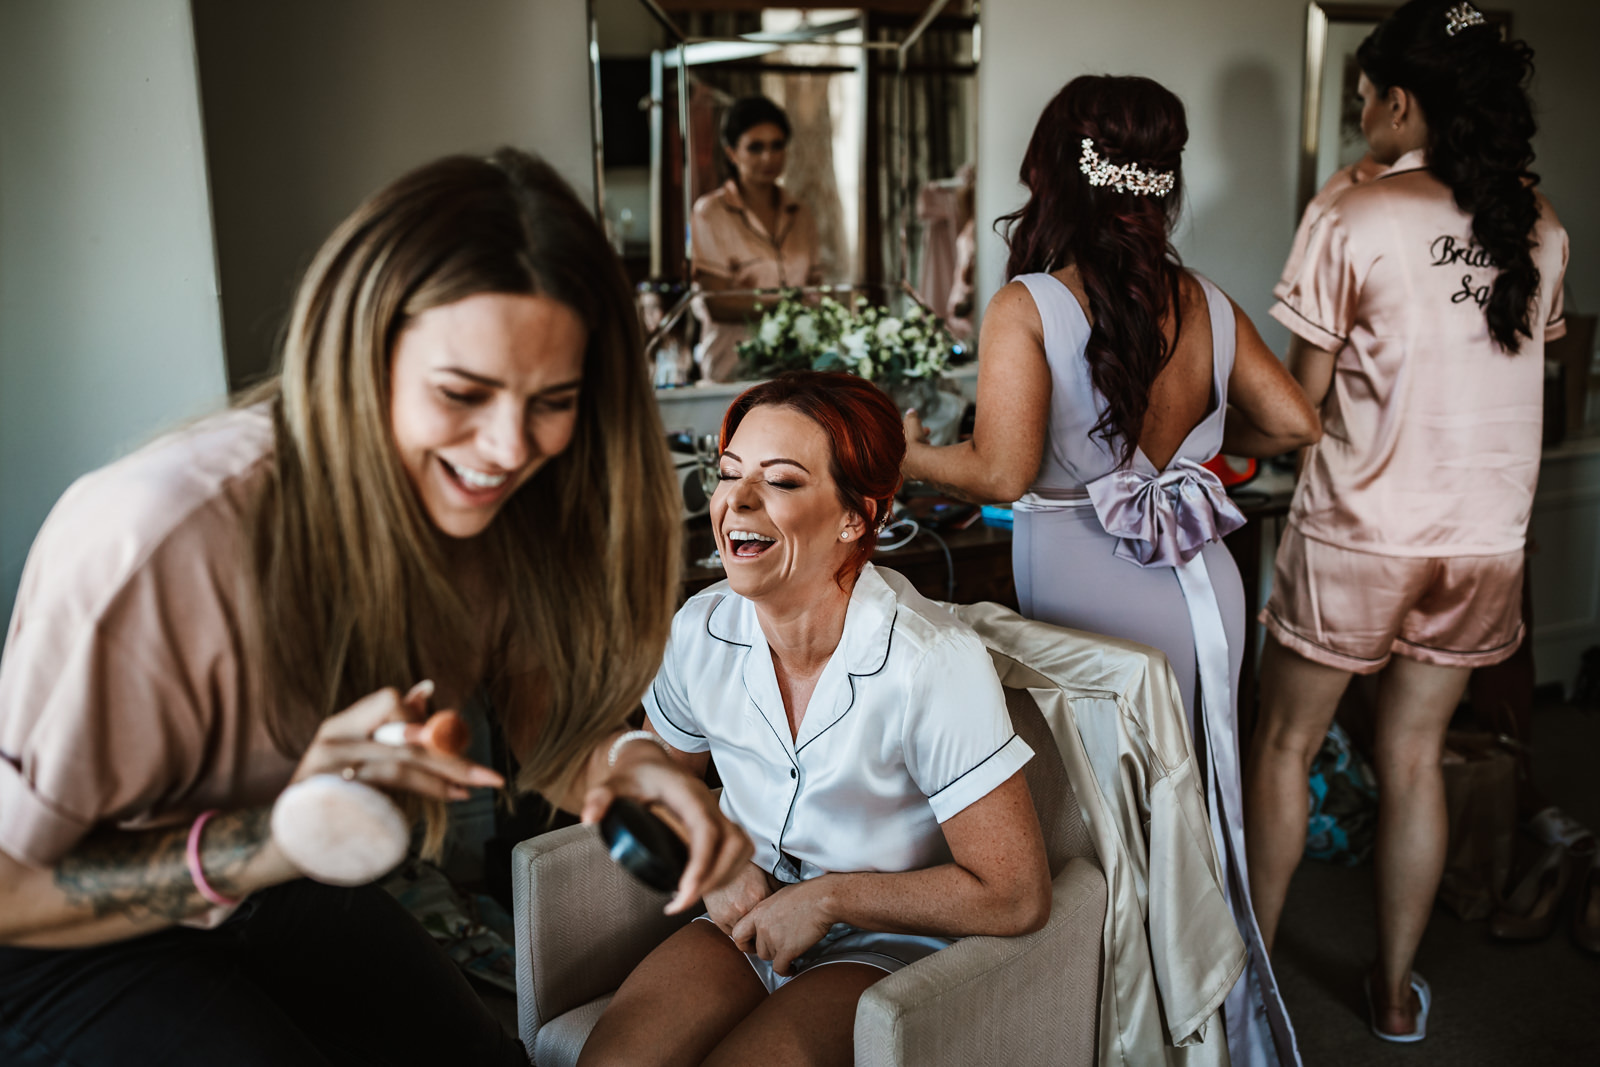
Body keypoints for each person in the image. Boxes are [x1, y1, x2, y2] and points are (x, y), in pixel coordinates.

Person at [0, 148, 751, 1066]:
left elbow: (538, 710)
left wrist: (630, 762)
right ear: (363, 353)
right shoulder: (157, 539)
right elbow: (9, 889)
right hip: (53, 942)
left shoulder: (496, 511)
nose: (509, 447)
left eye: (552, 401)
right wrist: (276, 837)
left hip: (276, 882)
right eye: (460, 393)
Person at [900, 75, 1320, 1066]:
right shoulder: (1205, 299)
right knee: (1196, 805)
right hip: (1200, 583)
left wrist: (906, 449)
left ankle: (1129, 1030)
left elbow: (998, 471)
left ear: (1052, 174)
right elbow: (1297, 421)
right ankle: (1210, 1023)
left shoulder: (1031, 302)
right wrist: (1207, 459)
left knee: (1111, 822)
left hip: (1090, 590)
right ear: (1157, 180)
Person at [1242, 0, 1569, 1043]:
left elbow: (1297, 409)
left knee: (1286, 743)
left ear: (1395, 101)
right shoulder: (1540, 223)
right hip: (1482, 540)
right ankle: (1390, 997)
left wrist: (1347, 185)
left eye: (1363, 104)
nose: (1359, 124)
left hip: (1361, 533)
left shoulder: (1350, 212)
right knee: (1417, 755)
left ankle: (1245, 985)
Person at [579, 372, 1050, 1066]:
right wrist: (713, 857)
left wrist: (831, 898)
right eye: (729, 473)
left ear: (859, 514)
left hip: (885, 942)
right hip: (745, 920)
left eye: (781, 482)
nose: (735, 502)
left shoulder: (931, 664)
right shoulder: (698, 630)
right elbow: (652, 783)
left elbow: (1016, 894)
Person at [691, 96, 823, 382]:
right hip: (733, 369)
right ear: (731, 153)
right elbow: (718, 303)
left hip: (797, 370)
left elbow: (814, 291)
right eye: (755, 148)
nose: (768, 158)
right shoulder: (711, 213)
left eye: (777, 146)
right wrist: (786, 305)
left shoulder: (801, 214)